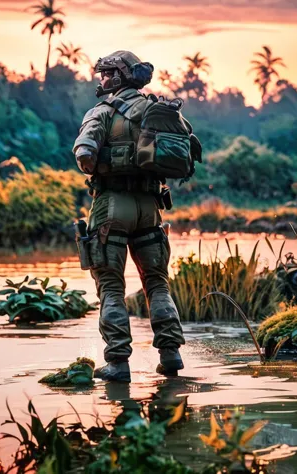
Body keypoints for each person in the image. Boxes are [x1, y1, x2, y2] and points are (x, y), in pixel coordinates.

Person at [73, 50, 199, 382]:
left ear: (116, 77)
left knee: (111, 286)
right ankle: (170, 355)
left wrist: (103, 163)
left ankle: (118, 362)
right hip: (150, 208)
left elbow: (85, 154)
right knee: (157, 283)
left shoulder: (100, 112)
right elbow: (188, 151)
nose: (101, 80)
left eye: (105, 74)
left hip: (112, 205)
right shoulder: (158, 110)